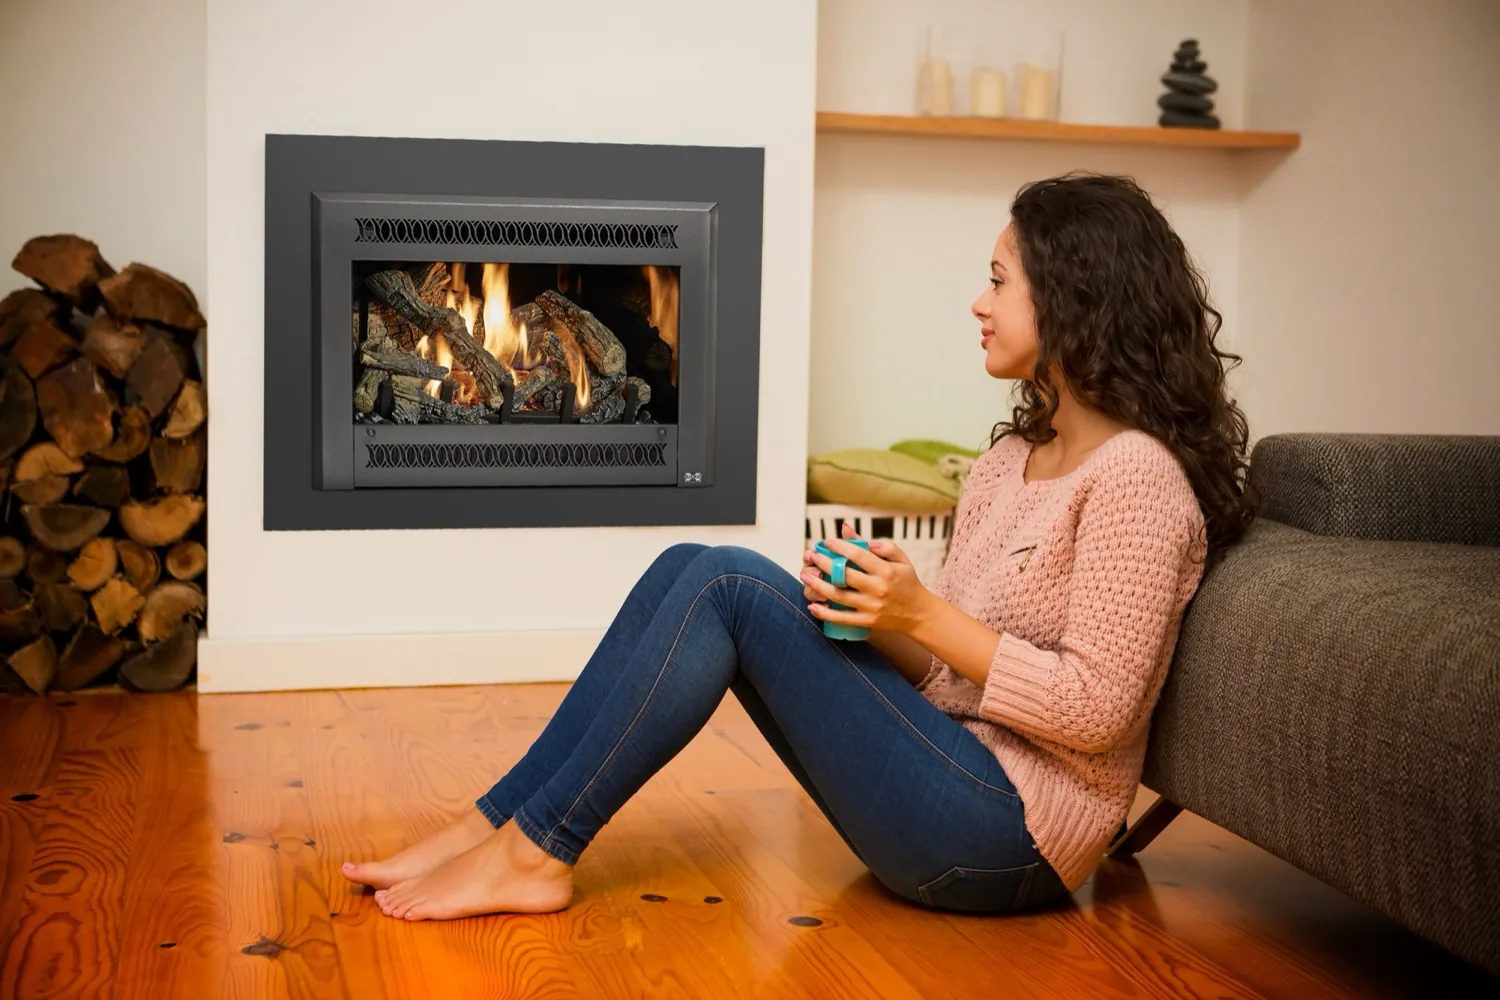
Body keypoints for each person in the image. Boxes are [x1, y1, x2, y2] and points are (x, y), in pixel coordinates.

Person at [343, 172, 1255, 921]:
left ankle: (535, 853)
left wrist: (925, 615)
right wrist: (871, 612)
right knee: (691, 568)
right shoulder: (1008, 463)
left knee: (727, 585)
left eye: (999, 279)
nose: (978, 302)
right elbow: (949, 683)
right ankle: (494, 824)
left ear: (1074, 299)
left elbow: (1101, 711)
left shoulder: (1137, 478)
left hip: (1011, 842)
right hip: (951, 774)